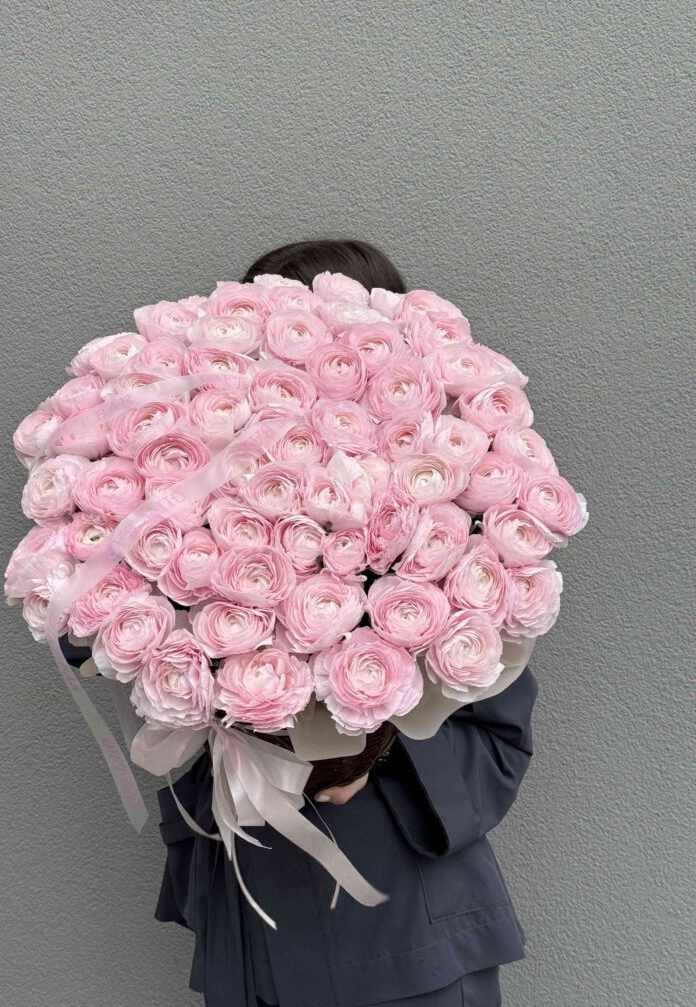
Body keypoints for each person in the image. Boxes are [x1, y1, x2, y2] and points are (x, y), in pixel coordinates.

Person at [138, 240, 539, 1007]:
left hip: (400, 927)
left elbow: (498, 737)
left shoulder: (459, 540)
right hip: (250, 914)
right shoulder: (190, 519)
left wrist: (369, 750)